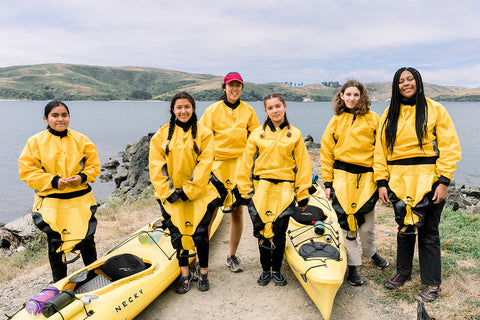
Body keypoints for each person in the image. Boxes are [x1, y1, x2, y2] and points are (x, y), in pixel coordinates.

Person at [374, 67, 461, 302]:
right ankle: (403, 272)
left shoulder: (435, 109)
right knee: (404, 228)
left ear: (418, 81)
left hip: (429, 180)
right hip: (399, 182)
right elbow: (380, 151)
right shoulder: (388, 114)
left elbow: (450, 147)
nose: (406, 83)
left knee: (429, 231)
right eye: (401, 81)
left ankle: (432, 284)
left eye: (410, 79)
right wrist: (382, 182)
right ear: (396, 85)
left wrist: (443, 182)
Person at [18, 100, 100, 282]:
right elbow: (27, 171)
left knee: (87, 240)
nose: (60, 119)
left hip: (80, 202)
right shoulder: (35, 142)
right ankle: (59, 283)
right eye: (55, 115)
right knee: (56, 244)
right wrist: (53, 181)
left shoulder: (81, 139)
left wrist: (82, 177)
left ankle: (94, 277)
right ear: (46, 118)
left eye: (64, 115)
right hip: (52, 204)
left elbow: (94, 165)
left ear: (69, 117)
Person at [235, 93, 312, 286]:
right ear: (266, 111)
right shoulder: (257, 134)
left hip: (285, 189)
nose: (275, 111)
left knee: (279, 231)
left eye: (278, 106)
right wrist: (244, 191)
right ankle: (264, 269)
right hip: (262, 189)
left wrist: (303, 193)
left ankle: (276, 269)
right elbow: (245, 163)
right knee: (262, 231)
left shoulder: (295, 134)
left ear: (284, 107)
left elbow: (303, 165)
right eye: (270, 108)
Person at [149, 92, 221, 294]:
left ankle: (203, 273)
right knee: (178, 235)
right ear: (173, 110)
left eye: (187, 107)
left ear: (193, 108)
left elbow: (205, 165)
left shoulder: (205, 134)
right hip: (171, 197)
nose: (183, 111)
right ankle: (184, 275)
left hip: (199, 195)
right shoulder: (161, 135)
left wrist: (189, 190)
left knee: (200, 236)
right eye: (179, 107)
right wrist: (168, 192)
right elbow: (156, 166)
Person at [320, 80, 389, 287]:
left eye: (355, 95)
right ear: (341, 96)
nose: (351, 98)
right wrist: (328, 182)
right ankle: (353, 266)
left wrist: (381, 180)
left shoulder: (373, 119)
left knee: (367, 226)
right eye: (348, 94)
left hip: (366, 178)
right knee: (348, 226)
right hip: (342, 178)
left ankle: (371, 252)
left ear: (362, 96)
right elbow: (326, 153)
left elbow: (381, 152)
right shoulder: (335, 121)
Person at [199, 72, 259, 272]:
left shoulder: (248, 111)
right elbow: (202, 139)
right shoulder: (212, 110)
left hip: (240, 168)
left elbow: (256, 139)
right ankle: (201, 260)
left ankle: (231, 256)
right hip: (217, 167)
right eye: (230, 85)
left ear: (241, 88)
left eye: (238, 86)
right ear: (224, 88)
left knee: (237, 212)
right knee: (210, 213)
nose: (234, 89)